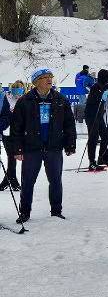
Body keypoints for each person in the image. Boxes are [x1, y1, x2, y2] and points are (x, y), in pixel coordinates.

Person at [9, 68, 76, 224]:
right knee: (27, 182)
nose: (49, 79)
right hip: (32, 148)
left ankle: (56, 211)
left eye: (50, 77)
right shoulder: (24, 101)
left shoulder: (60, 99)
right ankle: (24, 212)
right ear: (36, 82)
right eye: (45, 77)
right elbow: (16, 127)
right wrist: (17, 148)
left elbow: (69, 124)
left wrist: (70, 143)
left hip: (53, 147)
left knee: (55, 180)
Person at [84, 69, 108, 170]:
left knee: (105, 136)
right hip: (91, 115)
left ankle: (102, 158)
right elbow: (94, 100)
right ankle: (92, 161)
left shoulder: (104, 87)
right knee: (93, 137)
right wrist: (102, 93)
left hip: (99, 115)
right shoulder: (95, 87)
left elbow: (103, 101)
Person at [0, 79, 26, 190]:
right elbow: (3, 116)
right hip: (7, 132)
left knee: (13, 157)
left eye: (19, 90)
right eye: (15, 90)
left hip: (19, 134)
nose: (17, 94)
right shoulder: (7, 98)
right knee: (11, 157)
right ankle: (12, 181)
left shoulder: (26, 100)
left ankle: (7, 181)